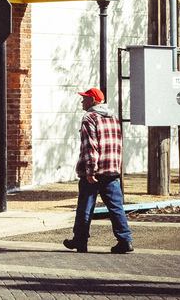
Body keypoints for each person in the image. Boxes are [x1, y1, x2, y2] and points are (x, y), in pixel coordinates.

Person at [63, 87, 134, 254]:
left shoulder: (89, 117)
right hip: (112, 170)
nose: (82, 101)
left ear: (93, 101)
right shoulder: (113, 117)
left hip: (94, 172)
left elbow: (90, 146)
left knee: (85, 207)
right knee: (116, 207)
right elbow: (118, 144)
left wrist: (90, 171)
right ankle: (125, 240)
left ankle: (80, 240)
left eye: (85, 98)